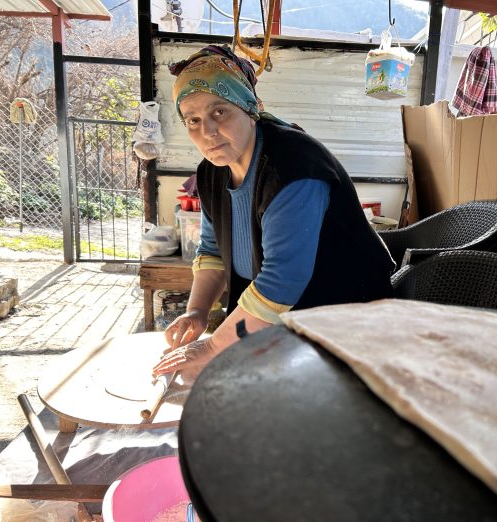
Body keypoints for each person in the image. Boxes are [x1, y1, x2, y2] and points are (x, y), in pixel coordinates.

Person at [153, 45, 394, 377]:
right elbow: (212, 251)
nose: (207, 131)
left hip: (346, 317)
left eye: (219, 111)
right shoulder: (211, 173)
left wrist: (212, 347)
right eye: (193, 120)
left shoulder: (293, 165)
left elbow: (283, 280)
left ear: (249, 108)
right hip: (288, 319)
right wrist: (196, 312)